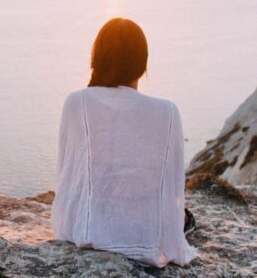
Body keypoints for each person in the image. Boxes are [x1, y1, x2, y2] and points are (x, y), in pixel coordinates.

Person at [51, 18, 198, 268]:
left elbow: (68, 177)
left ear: (96, 58)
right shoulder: (168, 112)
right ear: (142, 65)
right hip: (145, 233)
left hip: (87, 230)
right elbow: (172, 185)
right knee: (185, 218)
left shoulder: (76, 103)